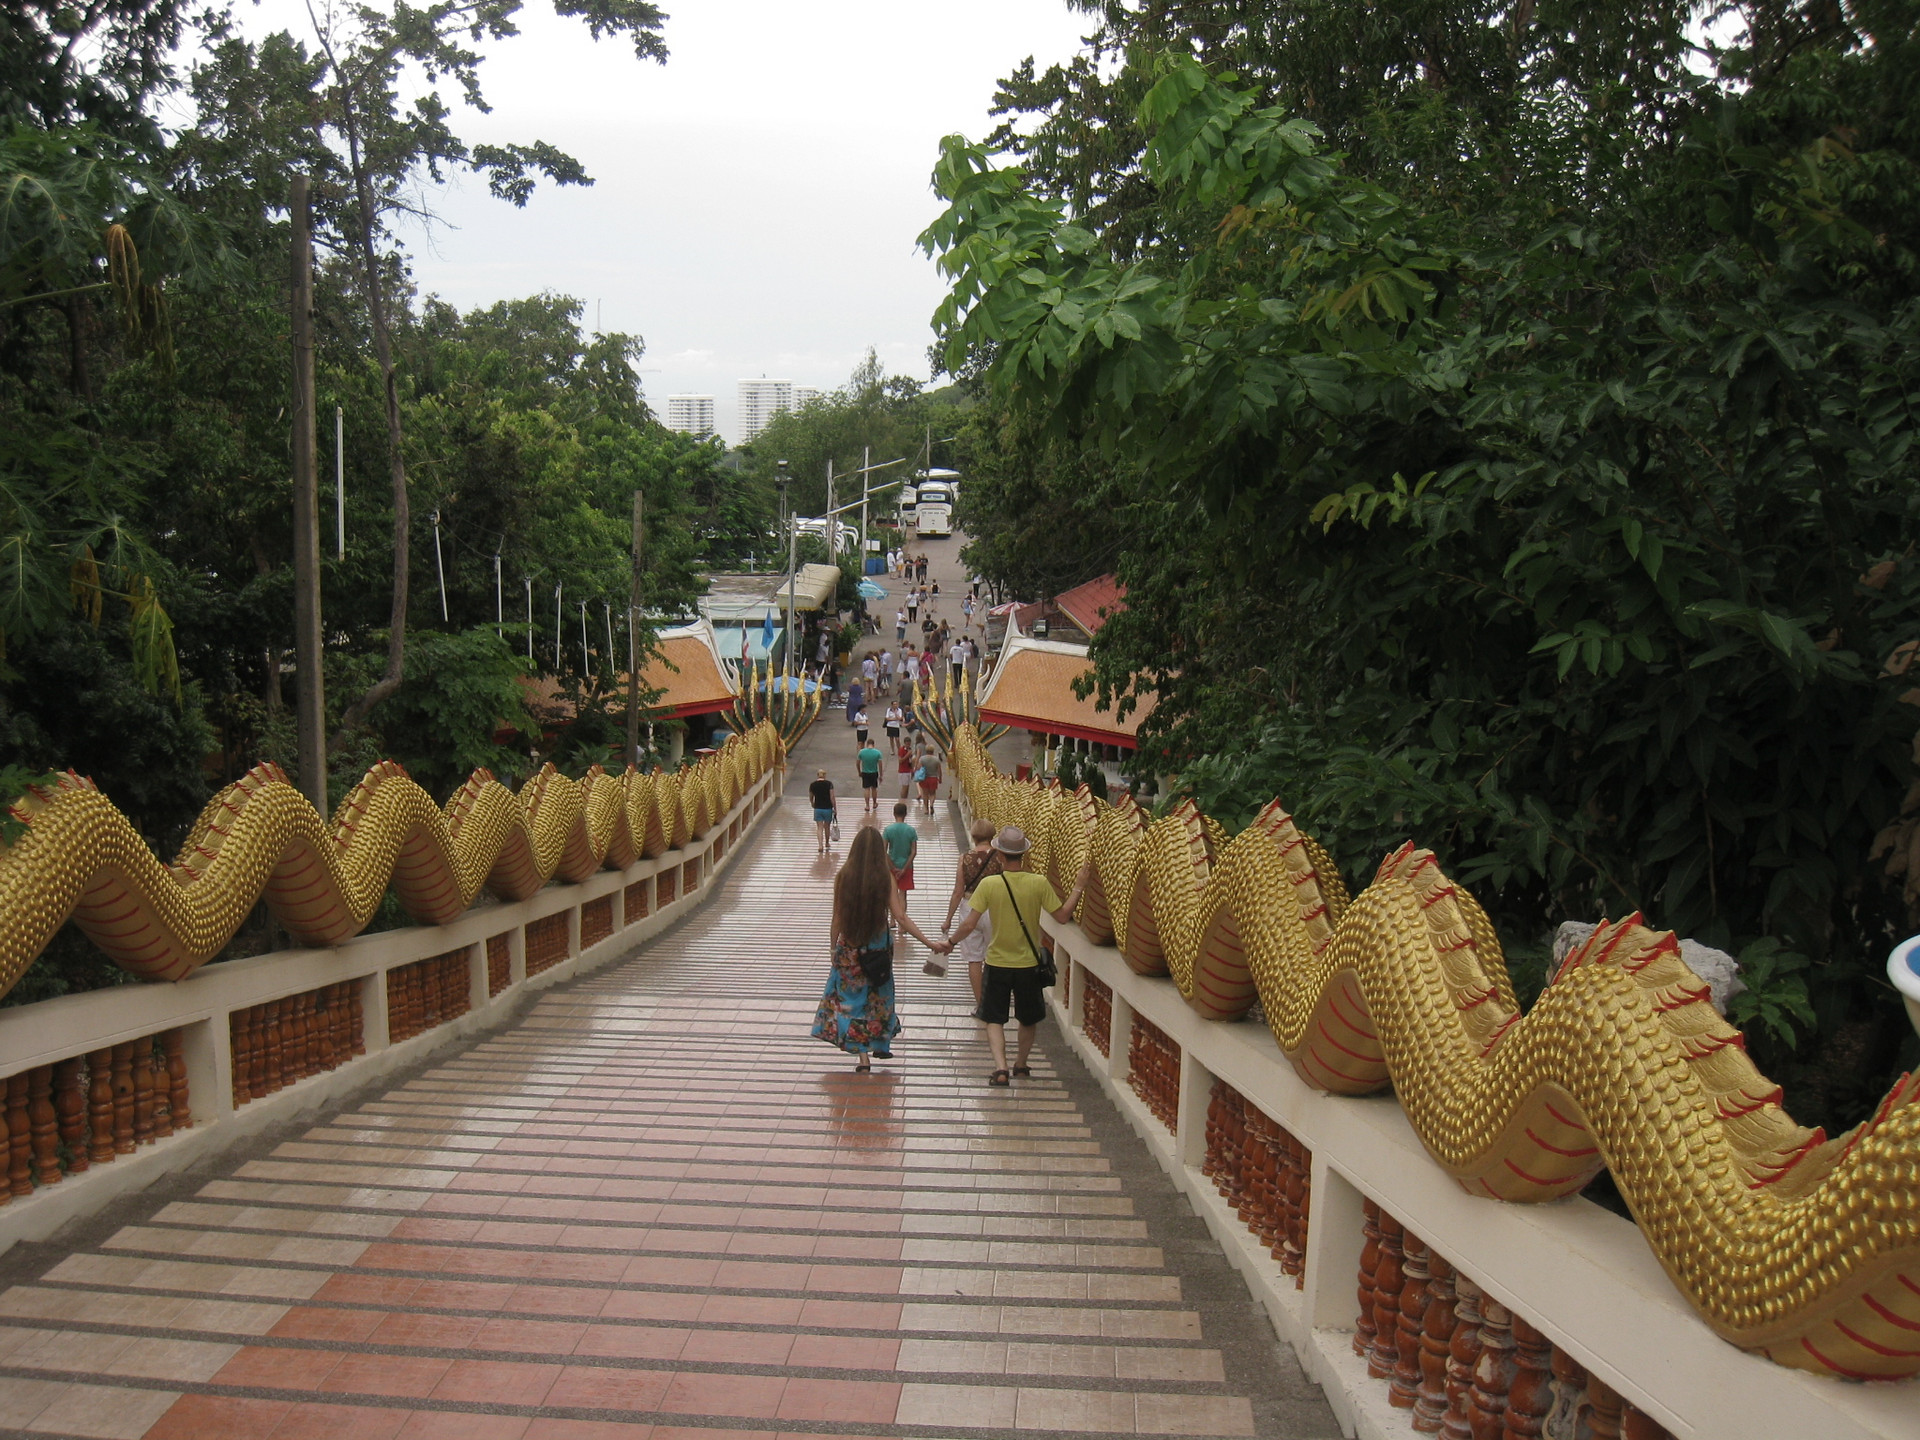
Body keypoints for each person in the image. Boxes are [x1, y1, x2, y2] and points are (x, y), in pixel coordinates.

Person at [948, 826, 1093, 1086]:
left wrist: (949, 942)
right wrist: (1078, 888)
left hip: (997, 962)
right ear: (1024, 854)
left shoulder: (989, 885)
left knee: (993, 1018)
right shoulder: (1038, 883)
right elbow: (1062, 916)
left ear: (1000, 855)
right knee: (1027, 1017)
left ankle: (1000, 1068)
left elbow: (969, 924)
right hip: (1028, 964)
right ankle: (1021, 1064)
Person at [811, 828, 945, 1072]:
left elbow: (837, 917)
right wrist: (929, 943)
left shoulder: (843, 876)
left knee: (852, 1001)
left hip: (850, 948)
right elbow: (900, 917)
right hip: (878, 949)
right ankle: (881, 1042)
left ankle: (863, 1057)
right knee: (879, 996)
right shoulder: (885, 877)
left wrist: (832, 948)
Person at [942, 818, 1003, 1000]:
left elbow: (958, 891)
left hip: (970, 908)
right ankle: (994, 999)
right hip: (994, 908)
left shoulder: (965, 859)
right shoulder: (999, 857)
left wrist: (948, 919)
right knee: (994, 956)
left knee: (974, 959)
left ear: (974, 836)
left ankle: (980, 1003)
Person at [882, 802, 918, 895]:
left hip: (891, 866)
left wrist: (893, 867)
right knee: (903, 894)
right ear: (905, 814)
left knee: (891, 893)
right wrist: (904, 869)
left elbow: (883, 851)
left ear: (894, 814)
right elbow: (914, 851)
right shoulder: (911, 830)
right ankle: (903, 906)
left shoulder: (888, 830)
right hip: (907, 866)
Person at [808, 768, 837, 855]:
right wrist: (835, 808)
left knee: (819, 827)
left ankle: (820, 845)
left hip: (818, 808)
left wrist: (812, 803)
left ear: (818, 775)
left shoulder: (813, 785)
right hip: (827, 808)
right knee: (827, 827)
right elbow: (832, 797)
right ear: (825, 775)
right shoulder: (829, 784)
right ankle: (827, 843)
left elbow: (811, 796)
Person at [856, 737, 885, 812]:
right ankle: (874, 803)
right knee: (874, 788)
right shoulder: (878, 752)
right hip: (874, 772)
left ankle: (867, 805)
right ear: (873, 744)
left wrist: (859, 772)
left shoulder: (861, 752)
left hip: (865, 772)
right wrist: (881, 775)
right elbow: (880, 765)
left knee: (866, 789)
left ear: (867, 744)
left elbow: (857, 763)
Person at [916, 744, 943, 815]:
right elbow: (939, 770)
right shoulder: (936, 759)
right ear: (933, 751)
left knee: (925, 794)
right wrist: (940, 778)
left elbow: (919, 768)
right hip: (933, 778)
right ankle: (931, 804)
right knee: (932, 793)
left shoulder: (922, 759)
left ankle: (926, 809)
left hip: (924, 778)